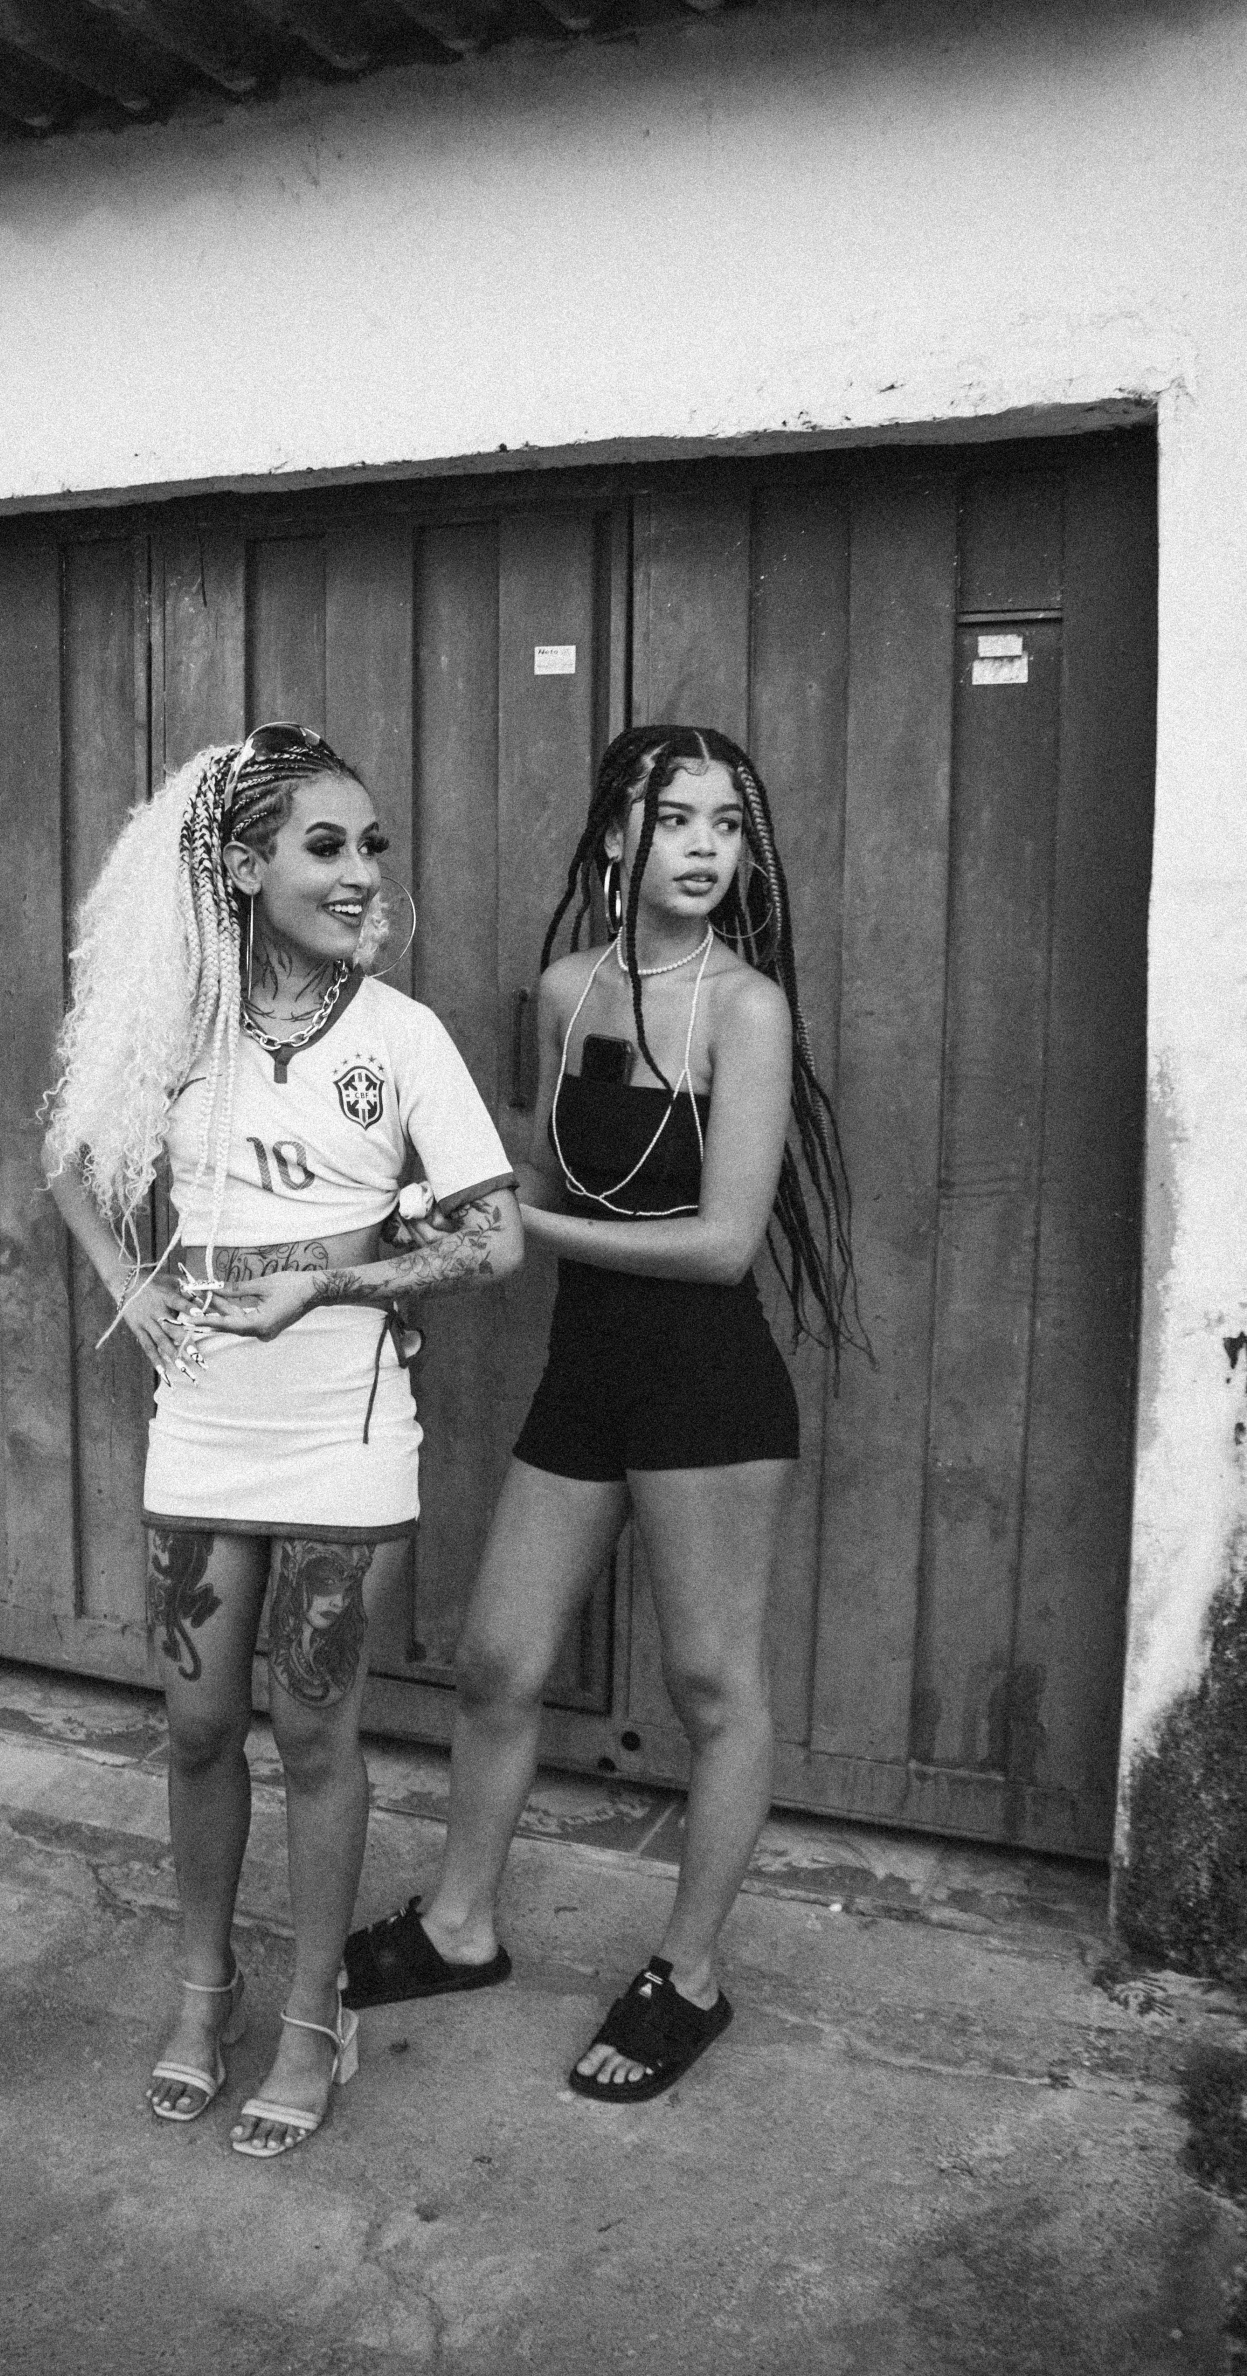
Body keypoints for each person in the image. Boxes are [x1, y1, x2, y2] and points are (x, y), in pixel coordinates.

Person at [344, 724, 861, 2104]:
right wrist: (436, 1196)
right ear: (617, 834)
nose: (704, 848)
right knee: (499, 1663)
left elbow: (717, 1243)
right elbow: (526, 1168)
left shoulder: (745, 1007)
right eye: (677, 818)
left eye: (729, 826)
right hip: (584, 1375)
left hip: (707, 1385)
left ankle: (688, 1975)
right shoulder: (565, 988)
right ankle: (460, 1927)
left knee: (711, 1687)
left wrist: (526, 1222)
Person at [46, 723, 521, 2158]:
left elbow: (491, 1238)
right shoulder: (181, 1027)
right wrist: (136, 1304)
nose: (363, 871)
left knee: (314, 1730)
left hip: (345, 1424)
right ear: (245, 865)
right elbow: (68, 1160)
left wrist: (340, 1280)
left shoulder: (400, 1035)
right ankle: (206, 1987)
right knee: (197, 1725)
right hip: (202, 1420)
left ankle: (315, 2012)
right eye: (327, 846)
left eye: (373, 844)